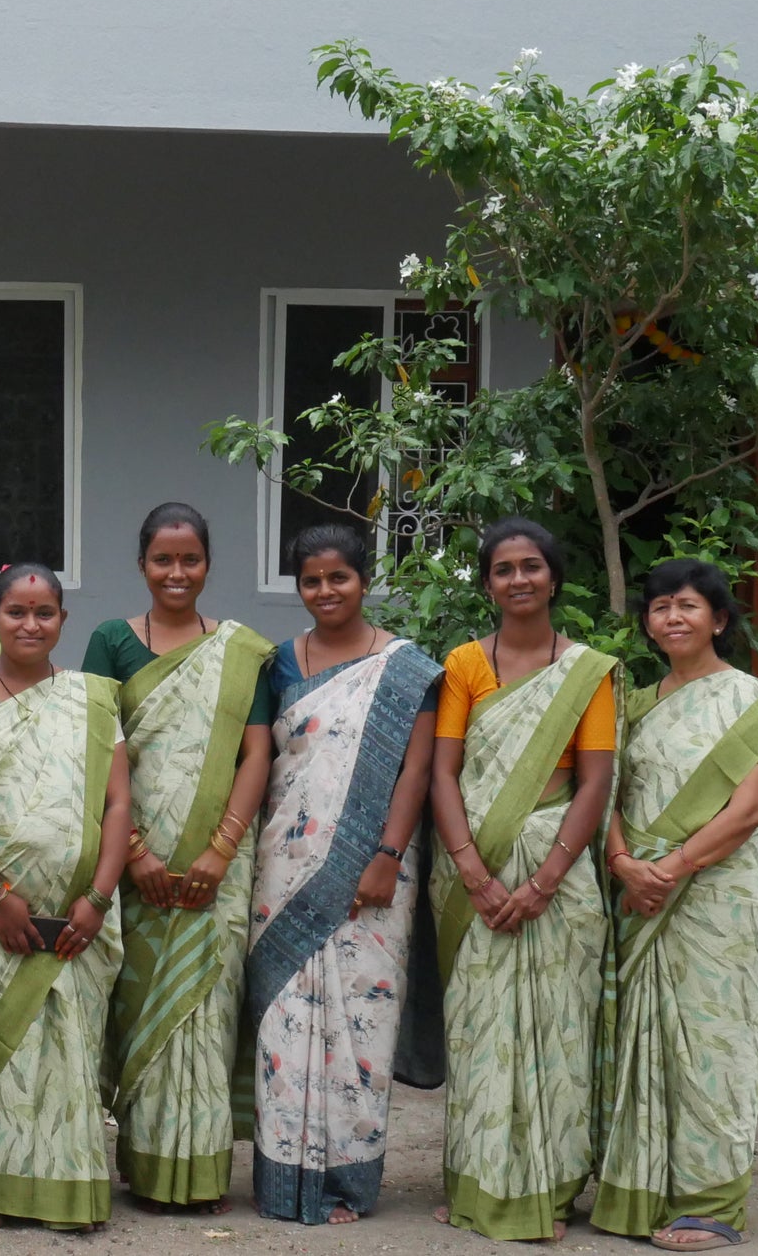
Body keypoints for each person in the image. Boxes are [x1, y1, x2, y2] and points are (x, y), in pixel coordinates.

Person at [593, 560, 758, 1252]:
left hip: (719, 893)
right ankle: (643, 1188)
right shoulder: (633, 705)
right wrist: (624, 863)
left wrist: (670, 868)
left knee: (715, 1040)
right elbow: (606, 792)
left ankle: (713, 1203)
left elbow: (749, 810)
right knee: (643, 1034)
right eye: (660, 606)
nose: (672, 617)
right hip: (639, 890)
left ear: (719, 619)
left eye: (688, 605)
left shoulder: (750, 701)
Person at [244, 523, 444, 1225]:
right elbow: (264, 760)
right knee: (282, 1021)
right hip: (286, 865)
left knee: (362, 1027)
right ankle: (282, 1180)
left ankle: (348, 1186)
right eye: (311, 580)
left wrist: (386, 854)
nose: (325, 590)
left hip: (378, 870)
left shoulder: (406, 668)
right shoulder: (277, 664)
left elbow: (416, 769)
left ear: (364, 579)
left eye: (340, 577)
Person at [78, 503, 275, 1213]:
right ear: (141, 565)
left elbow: (257, 752)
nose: (176, 572)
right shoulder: (111, 641)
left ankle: (202, 1170)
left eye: (190, 559)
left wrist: (222, 848)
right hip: (137, 864)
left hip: (219, 865)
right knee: (140, 1010)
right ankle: (146, 1165)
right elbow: (97, 746)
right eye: (163, 559)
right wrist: (133, 852)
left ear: (208, 565)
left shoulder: (241, 651)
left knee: (209, 1009)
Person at [429, 517, 618, 1243]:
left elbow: (595, 780)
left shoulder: (587, 672)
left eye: (531, 566)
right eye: (503, 569)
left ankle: (550, 1187)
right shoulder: (465, 664)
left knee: (556, 1032)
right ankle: (477, 1181)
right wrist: (473, 871)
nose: (518, 579)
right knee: (478, 1031)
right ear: (487, 584)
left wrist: (544, 881)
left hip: (555, 877)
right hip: (472, 874)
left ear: (553, 577)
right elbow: (444, 773)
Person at [0, 562, 132, 1232]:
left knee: (74, 1042)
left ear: (62, 621)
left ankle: (72, 1188)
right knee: (2, 1039)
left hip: (81, 910)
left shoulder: (92, 698)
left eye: (44, 612)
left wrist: (97, 897)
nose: (30, 623)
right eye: (16, 611)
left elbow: (118, 803)